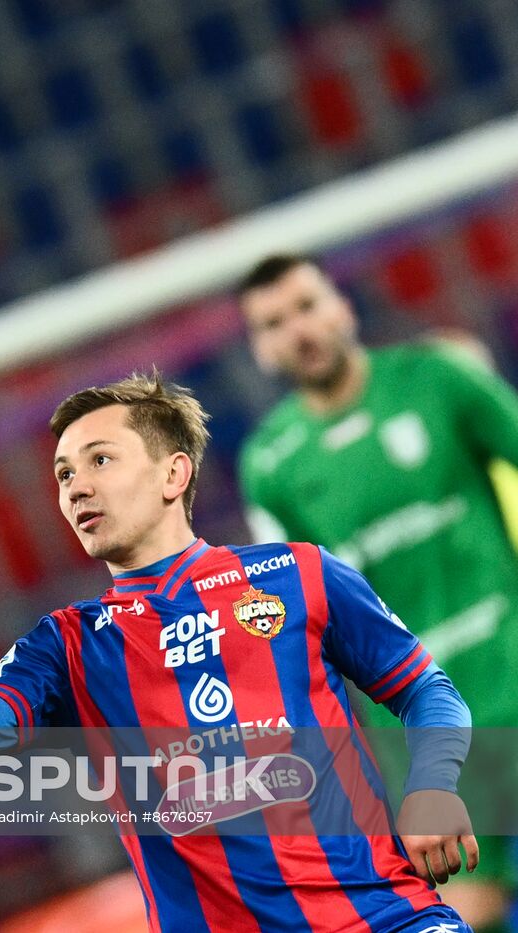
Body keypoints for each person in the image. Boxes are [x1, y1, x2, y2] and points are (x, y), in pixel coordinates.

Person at [0, 373, 479, 933]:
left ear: (175, 473)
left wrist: (433, 788)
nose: (75, 488)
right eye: (63, 473)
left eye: (100, 461)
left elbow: (427, 691)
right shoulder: (66, 644)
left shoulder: (301, 574)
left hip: (387, 916)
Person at [236, 254, 518, 931]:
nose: (297, 330)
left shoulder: (438, 378)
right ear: (261, 348)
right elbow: (292, 621)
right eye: (274, 323)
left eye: (306, 306)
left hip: (511, 675)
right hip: (419, 737)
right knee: (466, 910)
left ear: (341, 305)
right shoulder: (272, 465)